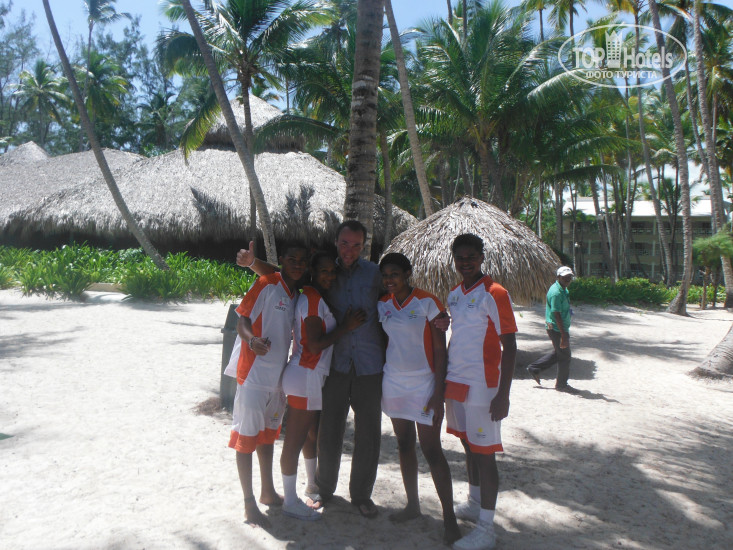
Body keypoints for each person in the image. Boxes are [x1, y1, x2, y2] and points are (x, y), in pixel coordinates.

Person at [237, 220, 385, 519]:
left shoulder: (373, 274)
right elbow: (280, 274)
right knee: (322, 433)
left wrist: (434, 318)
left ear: (364, 246)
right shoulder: (313, 283)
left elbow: (396, 293)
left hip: (363, 364)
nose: (349, 250)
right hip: (322, 369)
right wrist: (253, 263)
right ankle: (314, 492)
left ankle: (351, 494)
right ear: (336, 242)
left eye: (356, 245)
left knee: (357, 434)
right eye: (344, 243)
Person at [377, 253, 460, 544]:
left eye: (395, 274)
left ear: (407, 274)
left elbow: (439, 351)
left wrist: (439, 393)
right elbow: (386, 343)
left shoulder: (427, 302)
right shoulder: (383, 304)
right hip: (393, 382)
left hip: (424, 384)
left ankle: (449, 518)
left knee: (432, 450)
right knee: (403, 443)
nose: (389, 280)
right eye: (385, 275)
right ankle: (412, 505)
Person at [442, 234, 518, 550]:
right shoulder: (454, 294)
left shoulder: (495, 293)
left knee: (485, 455)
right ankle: (474, 502)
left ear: (481, 257)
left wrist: (503, 394)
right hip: (456, 381)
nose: (466, 262)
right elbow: (458, 336)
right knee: (468, 445)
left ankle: (487, 528)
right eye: (460, 257)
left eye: (471, 257)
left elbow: (510, 346)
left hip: (484, 386)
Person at [279, 251, 366, 521]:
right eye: (323, 271)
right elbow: (315, 345)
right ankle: (290, 500)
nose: (329, 276)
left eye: (332, 271)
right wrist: (346, 327)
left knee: (310, 436)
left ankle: (311, 485)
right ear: (313, 273)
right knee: (294, 441)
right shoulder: (312, 299)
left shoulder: (314, 297)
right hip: (305, 374)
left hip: (310, 376)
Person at [230, 242, 307, 527]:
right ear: (282, 260)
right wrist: (252, 340)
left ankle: (267, 491)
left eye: (302, 261)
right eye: (292, 259)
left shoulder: (297, 294)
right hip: (253, 376)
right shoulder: (266, 284)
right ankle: (249, 502)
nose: (297, 264)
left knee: (266, 436)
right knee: (246, 438)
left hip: (277, 379)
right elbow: (242, 320)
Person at [527, 266, 575, 392]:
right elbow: (556, 314)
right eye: (565, 277)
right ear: (558, 277)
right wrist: (563, 335)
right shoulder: (556, 293)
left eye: (569, 277)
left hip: (557, 327)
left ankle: (534, 368)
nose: (568, 279)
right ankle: (561, 385)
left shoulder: (563, 289)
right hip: (556, 328)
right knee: (565, 356)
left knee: (559, 352)